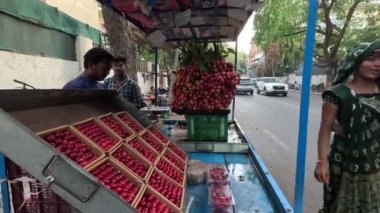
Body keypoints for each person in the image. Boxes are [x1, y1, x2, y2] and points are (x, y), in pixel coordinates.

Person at [314, 40, 380, 213]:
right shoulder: (338, 94)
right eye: (371, 58)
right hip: (343, 162)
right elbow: (325, 130)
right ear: (356, 60)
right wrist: (321, 163)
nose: (377, 64)